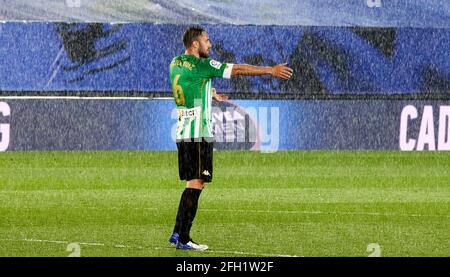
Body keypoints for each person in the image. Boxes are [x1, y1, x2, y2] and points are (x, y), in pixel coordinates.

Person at [168, 26, 293, 251]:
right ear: (195, 44)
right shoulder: (203, 65)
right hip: (199, 133)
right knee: (197, 184)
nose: (210, 44)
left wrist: (209, 93)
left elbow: (188, 84)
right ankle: (184, 238)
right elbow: (236, 70)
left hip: (184, 131)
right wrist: (269, 70)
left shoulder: (176, 62)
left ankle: (178, 232)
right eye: (207, 41)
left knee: (193, 183)